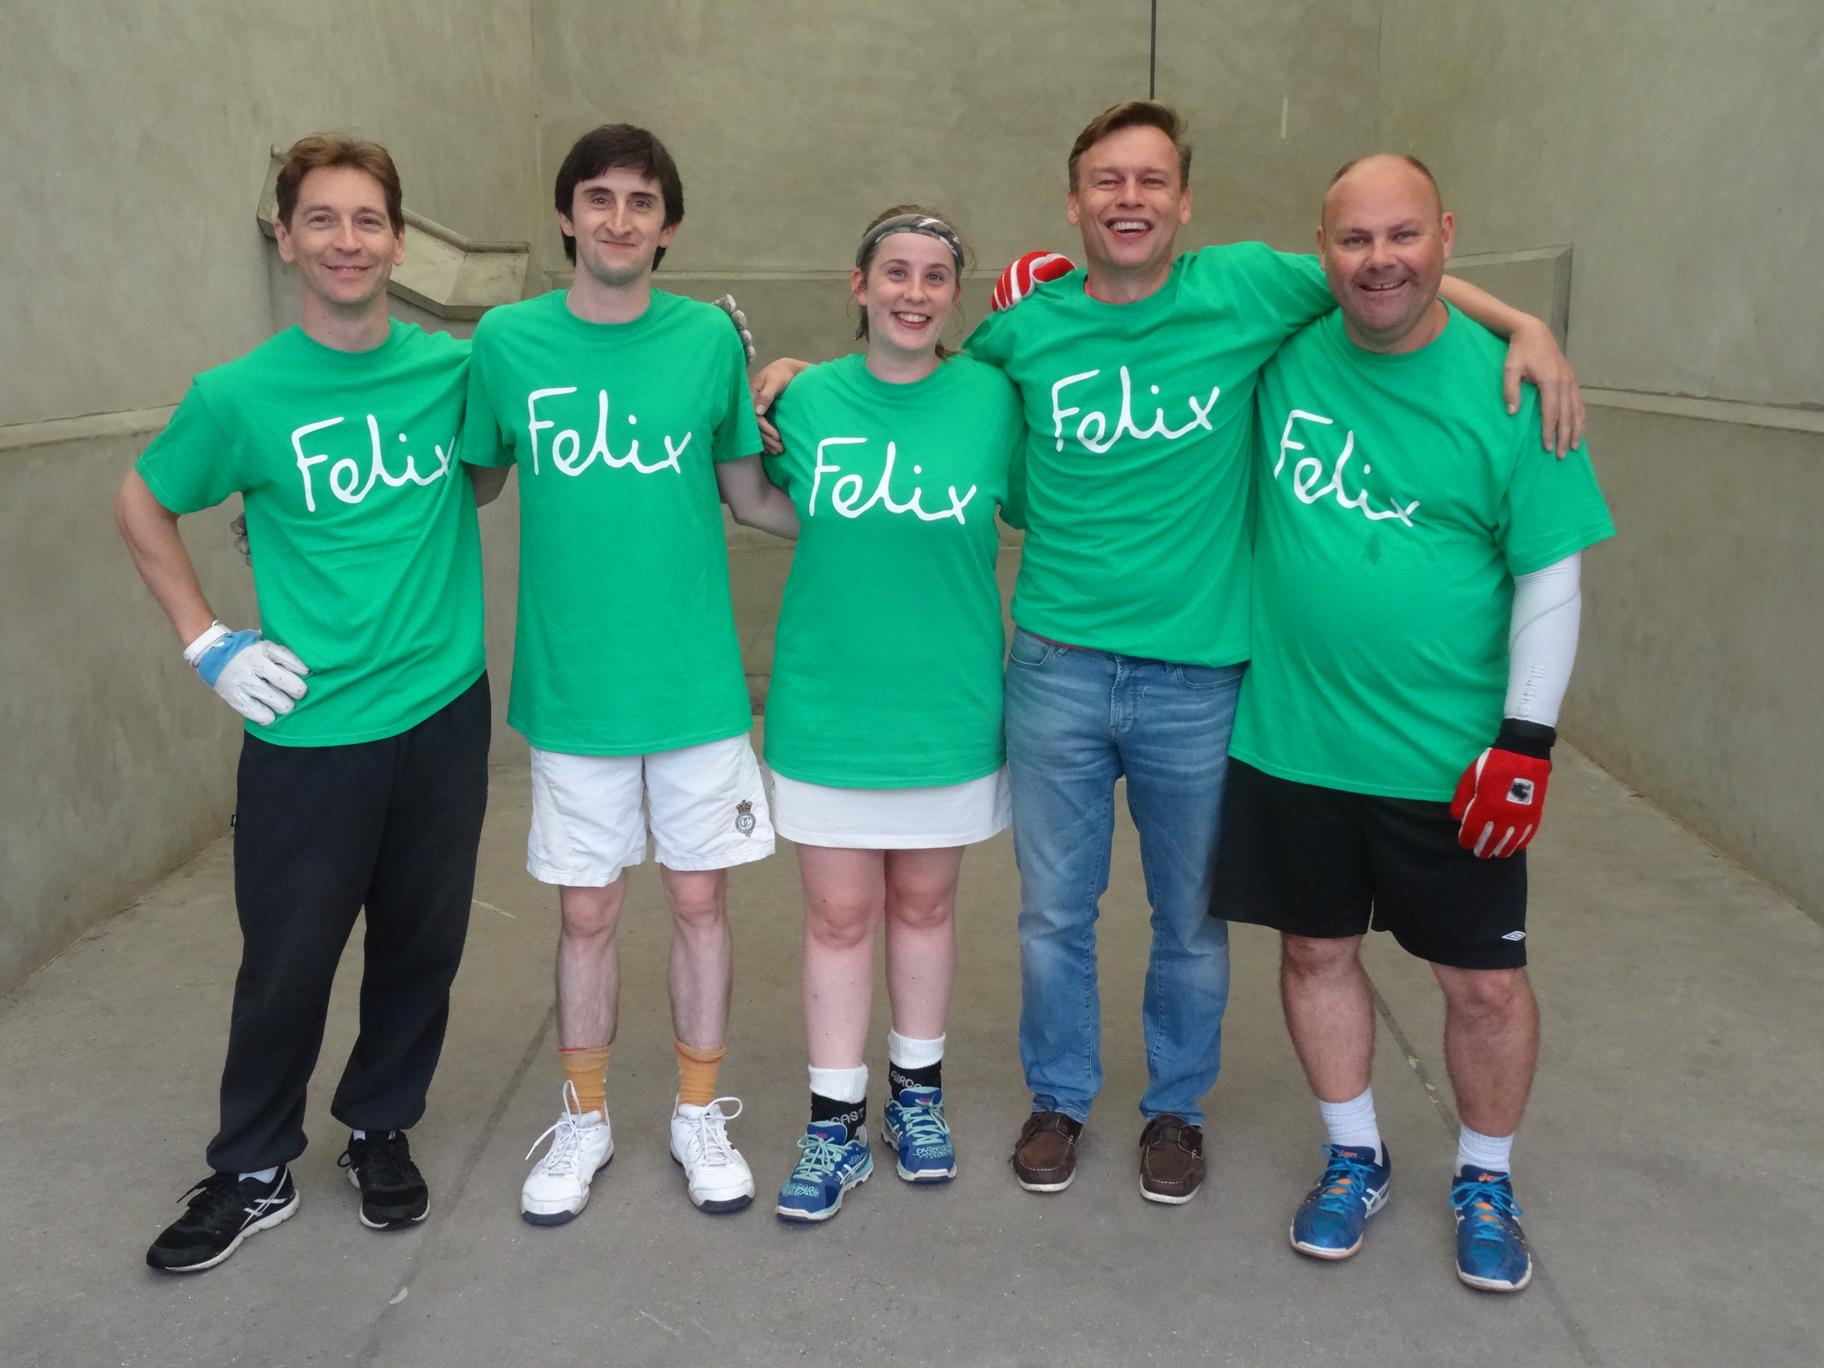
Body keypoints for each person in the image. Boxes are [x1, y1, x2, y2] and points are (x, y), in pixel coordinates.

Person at [761, 99, 1582, 1204]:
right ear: (1074, 201)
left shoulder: (1245, 286)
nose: (1130, 198)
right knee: (1055, 911)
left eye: (1151, 180)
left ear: (1184, 201)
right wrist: (804, 379)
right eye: (1107, 180)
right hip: (1054, 665)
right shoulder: (1029, 329)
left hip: (1203, 676)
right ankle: (1058, 1098)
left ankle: (1174, 1112)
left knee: (1189, 918)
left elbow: (1389, 275)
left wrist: (1524, 326)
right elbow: (919, 369)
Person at [1213, 154, 1614, 1293]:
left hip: (1452, 760)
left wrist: (1526, 743)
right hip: (1290, 742)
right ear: (1320, 250)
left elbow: (1551, 579)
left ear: (1445, 234)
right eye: (1352, 240)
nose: (1379, 260)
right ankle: (1356, 1156)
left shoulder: (1512, 389)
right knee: (1313, 952)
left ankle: (1485, 1173)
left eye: (1402, 236)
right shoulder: (1279, 353)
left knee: (1482, 984)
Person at [118, 134, 497, 1272]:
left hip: (442, 710)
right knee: (288, 957)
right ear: (286, 238)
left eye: (368, 219)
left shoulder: (449, 369)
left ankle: (380, 1127)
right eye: (322, 219)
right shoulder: (236, 396)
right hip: (309, 730)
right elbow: (143, 503)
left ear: (395, 237)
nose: (346, 240)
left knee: (422, 945)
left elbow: (482, 470)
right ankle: (250, 1162)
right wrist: (207, 641)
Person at [462, 123, 796, 1226]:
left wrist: (885, 517)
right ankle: (588, 1116)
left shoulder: (704, 340)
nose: (618, 219)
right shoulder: (506, 342)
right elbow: (466, 486)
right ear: (565, 215)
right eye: (597, 198)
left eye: (641, 202)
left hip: (695, 688)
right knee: (589, 911)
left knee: (700, 899)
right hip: (574, 691)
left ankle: (699, 1113)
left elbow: (749, 494)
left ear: (669, 224)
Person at [758, 207, 1024, 1222]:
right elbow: (765, 498)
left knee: (924, 907)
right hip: (830, 706)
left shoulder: (995, 400)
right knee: (836, 915)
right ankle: (834, 1123)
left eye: (936, 276)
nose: (914, 292)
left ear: (959, 295)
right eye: (895, 272)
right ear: (858, 284)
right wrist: (774, 374)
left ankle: (918, 1098)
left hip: (949, 703)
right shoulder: (809, 398)